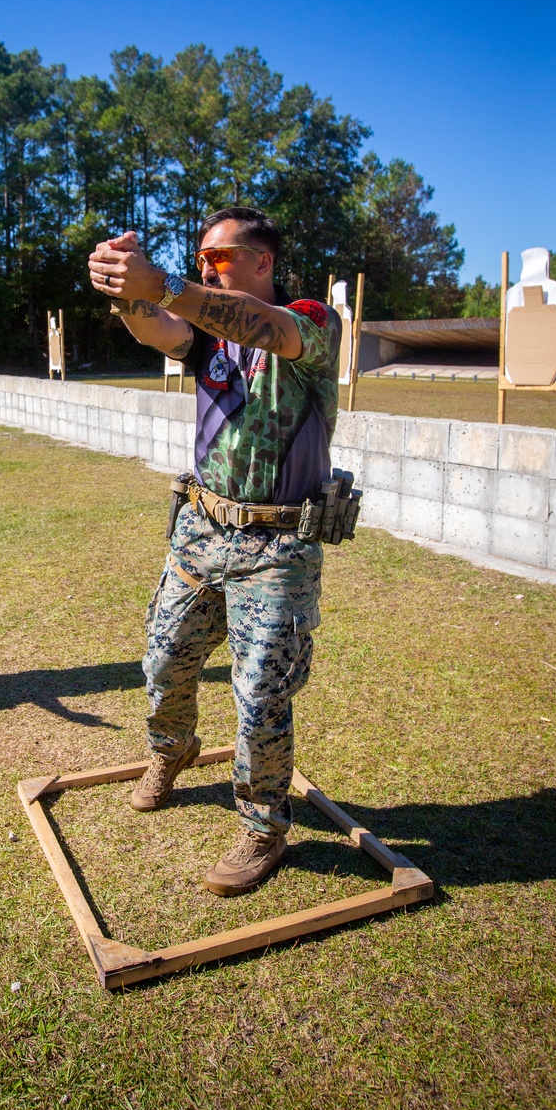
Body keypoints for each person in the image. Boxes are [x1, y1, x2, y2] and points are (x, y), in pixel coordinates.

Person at [88, 207, 341, 897]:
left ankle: (263, 826)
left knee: (261, 691)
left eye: (220, 257)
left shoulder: (311, 321)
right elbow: (157, 328)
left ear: (263, 261)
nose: (206, 266)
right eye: (199, 257)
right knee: (165, 659)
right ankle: (171, 753)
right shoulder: (208, 334)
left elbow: (264, 326)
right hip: (201, 530)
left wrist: (164, 282)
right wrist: (128, 293)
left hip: (279, 543)